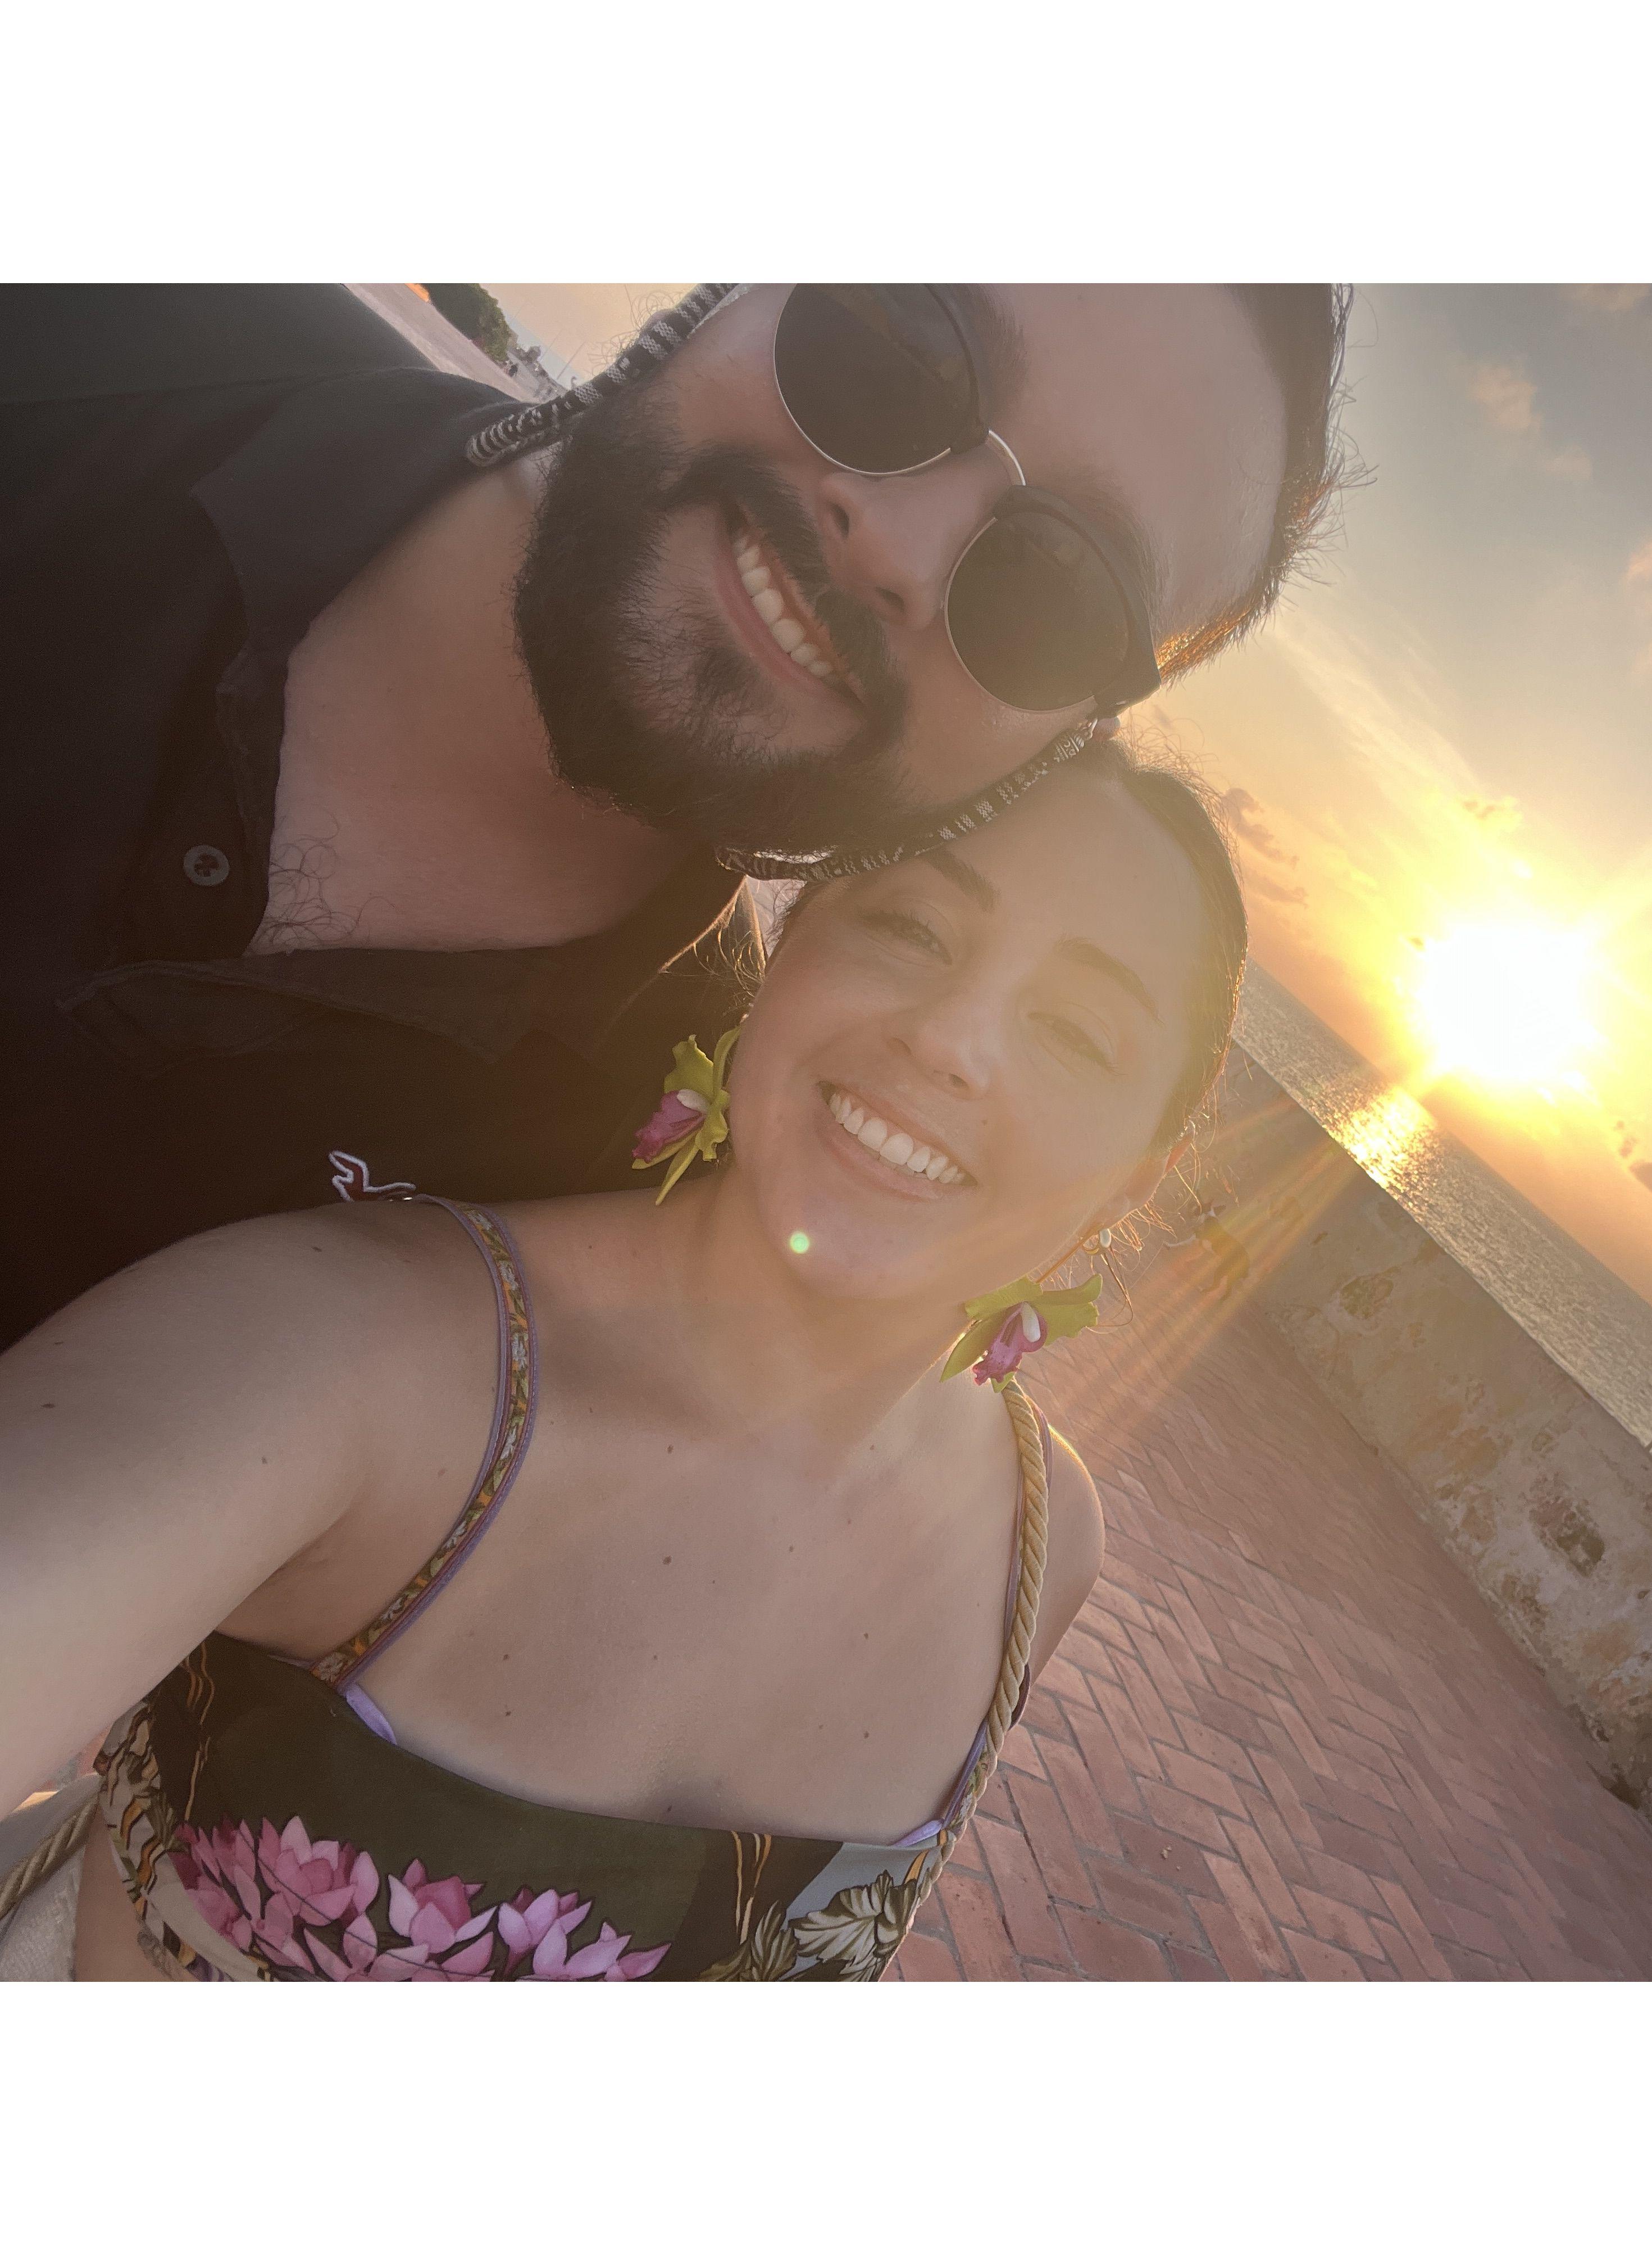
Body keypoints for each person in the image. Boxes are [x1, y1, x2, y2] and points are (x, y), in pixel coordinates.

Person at [0, 738, 1246, 1981]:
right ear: (786, 949)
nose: (952, 1039)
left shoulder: (1041, 1544)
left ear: (1128, 1185)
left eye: (1077, 1031)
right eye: (913, 929)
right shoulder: (359, 1356)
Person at [0, 281, 1348, 1345]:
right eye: (898, 347)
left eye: (1060, 593)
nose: (899, 550)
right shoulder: (96, 322)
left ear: (1058, 744)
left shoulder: (634, 1180)